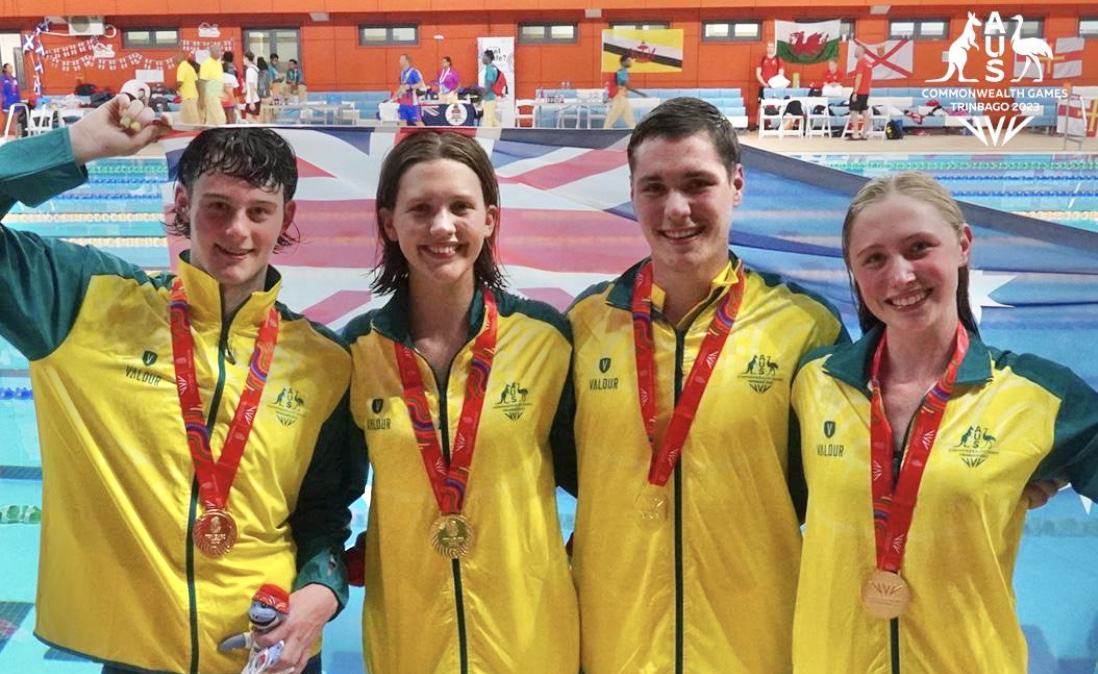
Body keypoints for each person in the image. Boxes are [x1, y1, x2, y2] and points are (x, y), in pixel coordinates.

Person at [0, 104, 359, 674]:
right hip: (138, 653)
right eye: (217, 206)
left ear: (285, 217)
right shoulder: (85, 305)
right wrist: (78, 142)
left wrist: (322, 592)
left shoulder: (324, 362)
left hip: (271, 649)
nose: (237, 230)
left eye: (259, 211)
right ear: (182, 204)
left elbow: (324, 513)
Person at [568, 97, 848, 673]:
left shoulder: (804, 326)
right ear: (632, 193)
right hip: (616, 642)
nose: (676, 209)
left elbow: (847, 476)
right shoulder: (585, 324)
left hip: (755, 644)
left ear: (736, 185)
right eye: (654, 188)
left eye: (697, 184)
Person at [790, 172, 1098, 674]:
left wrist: (1035, 472)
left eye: (919, 248)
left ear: (963, 245)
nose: (900, 276)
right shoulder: (813, 384)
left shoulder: (1036, 395)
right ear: (854, 271)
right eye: (874, 258)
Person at [342, 130, 579, 674]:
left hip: (532, 645)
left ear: (490, 220)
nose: (442, 226)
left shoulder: (547, 339)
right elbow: (326, 498)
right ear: (389, 223)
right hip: (409, 646)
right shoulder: (356, 352)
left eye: (460, 207)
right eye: (421, 209)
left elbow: (604, 482)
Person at [603, 54, 648, 129]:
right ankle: (604, 131)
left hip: (623, 97)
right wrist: (641, 93)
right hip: (620, 97)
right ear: (623, 62)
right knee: (612, 117)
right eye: (628, 60)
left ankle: (634, 131)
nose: (630, 62)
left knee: (629, 119)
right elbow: (627, 86)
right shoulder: (623, 72)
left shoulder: (621, 71)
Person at [848, 44, 873, 140]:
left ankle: (856, 134)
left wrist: (855, 92)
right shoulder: (869, 63)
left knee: (854, 112)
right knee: (865, 112)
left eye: (857, 50)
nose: (855, 51)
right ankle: (864, 133)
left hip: (859, 91)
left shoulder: (861, 62)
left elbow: (859, 77)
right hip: (866, 92)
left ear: (861, 51)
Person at [394, 53, 426, 127]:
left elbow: (421, 84)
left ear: (407, 61)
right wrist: (396, 95)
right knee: (402, 122)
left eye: (401, 59)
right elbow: (402, 86)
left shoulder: (414, 72)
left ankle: (426, 134)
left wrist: (410, 87)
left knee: (418, 122)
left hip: (412, 103)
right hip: (403, 103)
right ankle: (404, 134)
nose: (399, 61)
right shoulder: (402, 73)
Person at [198, 45, 226, 126]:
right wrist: (201, 98)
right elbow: (202, 82)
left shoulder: (218, 63)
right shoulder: (206, 64)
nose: (220, 53)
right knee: (220, 117)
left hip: (217, 95)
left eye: (220, 51)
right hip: (211, 95)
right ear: (211, 52)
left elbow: (219, 78)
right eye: (217, 51)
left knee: (211, 120)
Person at [175, 51, 200, 125]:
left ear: (180, 58)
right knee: (185, 118)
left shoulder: (182, 66)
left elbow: (180, 82)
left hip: (188, 97)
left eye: (176, 57)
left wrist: (175, 89)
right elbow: (196, 81)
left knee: (192, 119)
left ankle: (195, 130)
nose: (174, 60)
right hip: (192, 96)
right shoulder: (189, 67)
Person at [480, 50, 500, 128]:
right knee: (492, 119)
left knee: (488, 120)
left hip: (489, 98)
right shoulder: (492, 68)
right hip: (491, 97)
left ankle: (487, 134)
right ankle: (503, 131)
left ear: (488, 57)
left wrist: (483, 95)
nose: (482, 58)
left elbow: (489, 84)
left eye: (484, 56)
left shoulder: (490, 69)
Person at [1, 63, 21, 139]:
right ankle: (2, 134)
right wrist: (3, 98)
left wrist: (19, 100)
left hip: (15, 100)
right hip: (7, 102)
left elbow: (17, 90)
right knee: (7, 118)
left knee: (16, 119)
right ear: (5, 69)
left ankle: (17, 137)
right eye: (9, 67)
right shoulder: (2, 78)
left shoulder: (14, 79)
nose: (11, 68)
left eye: (11, 67)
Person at [221, 51, 240, 125]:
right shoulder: (233, 70)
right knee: (231, 118)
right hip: (231, 100)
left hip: (221, 101)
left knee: (223, 119)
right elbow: (236, 88)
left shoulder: (218, 77)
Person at [242, 51, 261, 123]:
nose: (243, 60)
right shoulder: (255, 69)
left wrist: (251, 102)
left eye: (243, 58)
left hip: (252, 99)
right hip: (256, 97)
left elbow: (251, 86)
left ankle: (262, 128)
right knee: (255, 119)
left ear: (246, 58)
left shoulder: (249, 70)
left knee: (249, 119)